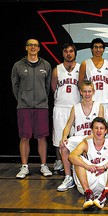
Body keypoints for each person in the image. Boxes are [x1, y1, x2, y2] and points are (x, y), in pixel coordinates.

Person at [11, 38, 52, 179]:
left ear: (39, 48)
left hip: (41, 106)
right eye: (30, 45)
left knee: (42, 137)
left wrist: (41, 99)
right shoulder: (18, 66)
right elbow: (15, 86)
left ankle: (43, 165)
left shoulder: (46, 65)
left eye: (35, 45)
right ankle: (24, 167)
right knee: (24, 137)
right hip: (24, 107)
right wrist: (23, 99)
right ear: (26, 47)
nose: (33, 47)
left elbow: (47, 87)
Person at [57, 80, 104, 192]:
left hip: (93, 138)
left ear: (93, 92)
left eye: (89, 91)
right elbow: (68, 125)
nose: (87, 94)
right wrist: (64, 136)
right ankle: (68, 177)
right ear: (81, 92)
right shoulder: (75, 107)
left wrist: (92, 136)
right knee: (63, 145)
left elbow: (101, 125)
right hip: (78, 137)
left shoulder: (99, 106)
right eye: (85, 91)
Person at [69, 117, 108, 209]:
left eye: (101, 128)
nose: (99, 131)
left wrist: (104, 166)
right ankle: (88, 194)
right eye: (96, 128)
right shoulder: (86, 143)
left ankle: (105, 194)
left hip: (104, 180)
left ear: (106, 131)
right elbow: (71, 156)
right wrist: (87, 166)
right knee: (77, 159)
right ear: (92, 130)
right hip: (89, 180)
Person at [51, 42, 81, 173]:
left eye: (71, 51)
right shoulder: (57, 69)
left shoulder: (81, 68)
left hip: (75, 107)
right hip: (60, 107)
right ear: (62, 53)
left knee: (75, 136)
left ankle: (74, 161)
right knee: (59, 136)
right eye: (66, 51)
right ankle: (59, 161)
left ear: (75, 53)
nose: (68, 54)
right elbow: (53, 88)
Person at [78, 38, 108, 121]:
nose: (98, 49)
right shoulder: (85, 63)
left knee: (104, 129)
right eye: (95, 47)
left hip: (105, 101)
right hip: (91, 102)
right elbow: (80, 84)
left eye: (100, 47)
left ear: (103, 49)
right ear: (91, 49)